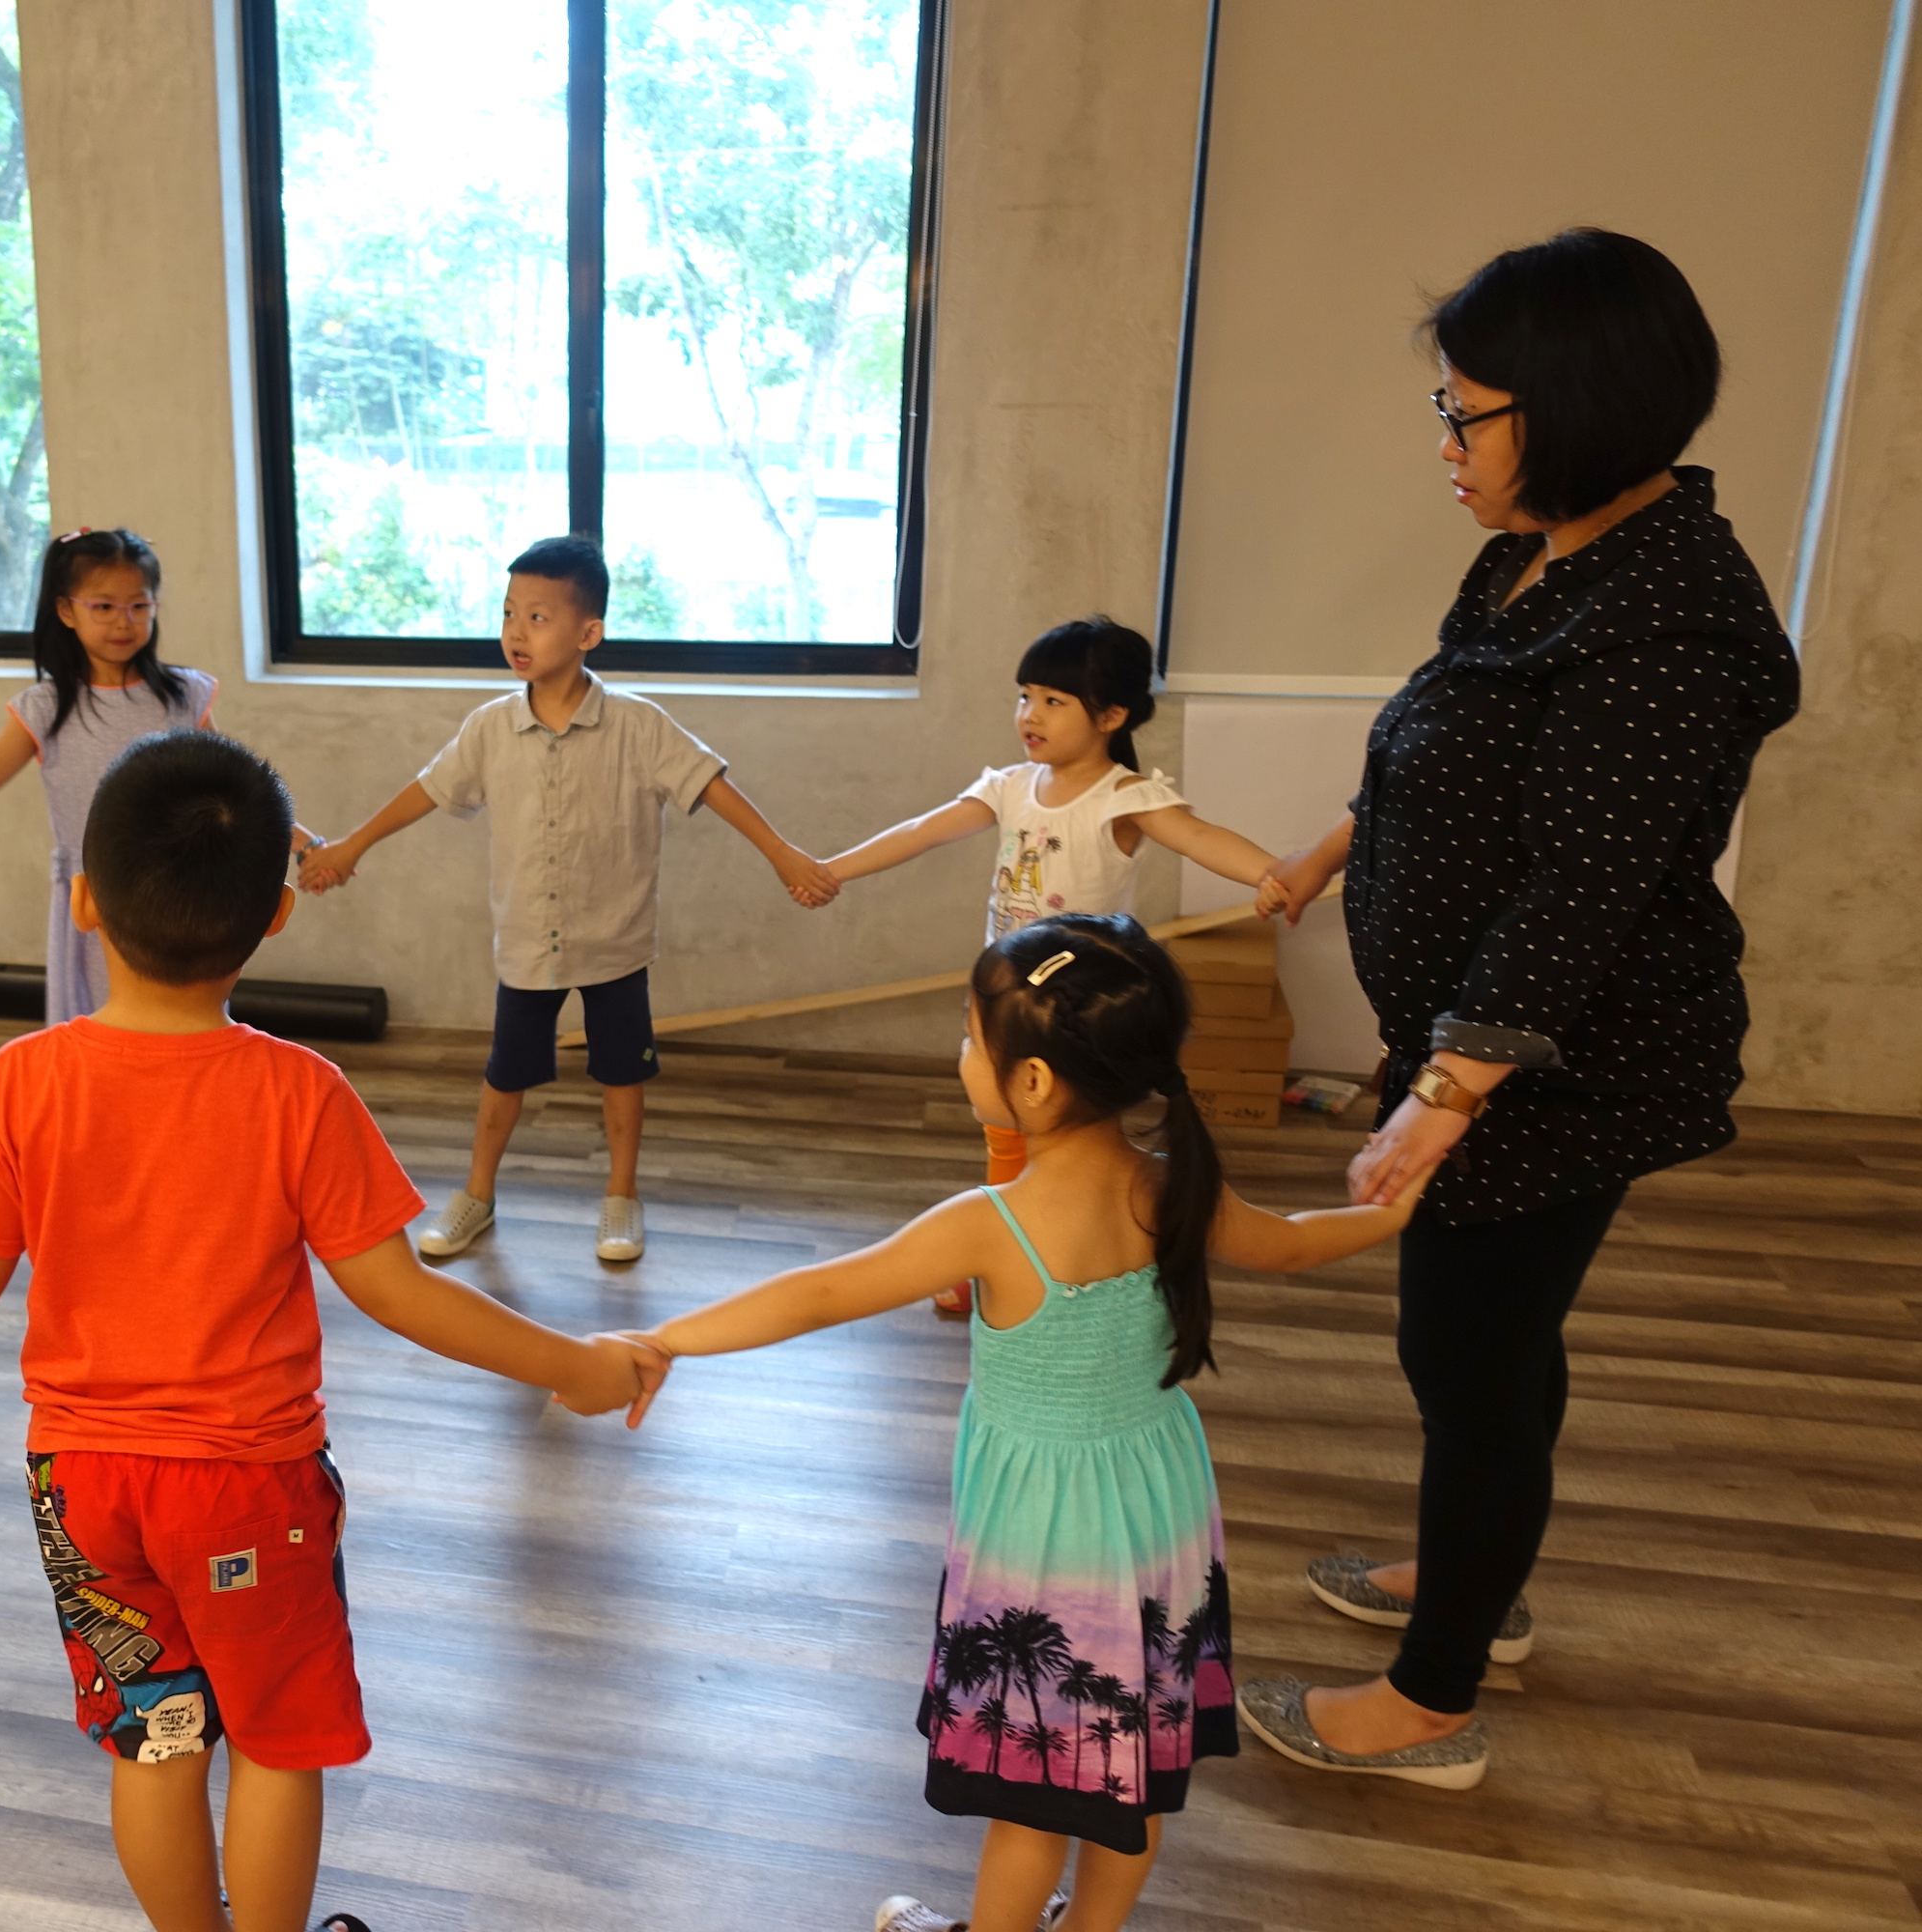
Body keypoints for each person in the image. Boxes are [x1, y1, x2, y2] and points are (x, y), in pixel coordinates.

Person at [0, 730, 664, 1932]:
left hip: (82, 1484)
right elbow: (399, 1291)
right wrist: (576, 1365)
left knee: (156, 1740)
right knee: (278, 1744)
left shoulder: (21, 1082)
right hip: (249, 1488)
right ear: (277, 915)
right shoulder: (300, 1091)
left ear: (86, 902)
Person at [1244, 230, 1799, 1784]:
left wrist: (1441, 1100)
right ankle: (1471, 1585)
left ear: (1575, 405)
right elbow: (1445, 744)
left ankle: (1431, 1702)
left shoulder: (1672, 616)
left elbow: (1581, 891)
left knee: (1469, 1359)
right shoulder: (1544, 552)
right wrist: (1331, 851)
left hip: (1562, 1069)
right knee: (1489, 1351)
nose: (1446, 442)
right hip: (1494, 1057)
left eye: (1466, 412)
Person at [623, 916, 1425, 1932]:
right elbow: (1296, 1242)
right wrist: (1394, 1208)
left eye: (971, 1036)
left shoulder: (989, 1223)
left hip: (1046, 1548)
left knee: (1030, 1799)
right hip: (1158, 1518)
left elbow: (821, 1293)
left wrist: (667, 1337)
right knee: (1129, 1776)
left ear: (1035, 1082)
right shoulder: (1173, 1184)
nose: (962, 1051)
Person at [294, 535, 834, 1264]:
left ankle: (622, 1198)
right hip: (526, 943)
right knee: (505, 1074)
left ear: (588, 633)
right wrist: (350, 847)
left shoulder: (639, 724)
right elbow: (427, 790)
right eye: (508, 612)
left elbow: (712, 786)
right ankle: (477, 1195)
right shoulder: (489, 727)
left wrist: (783, 855)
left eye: (538, 617)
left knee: (622, 1073)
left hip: (615, 942)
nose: (516, 631)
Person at [809, 617, 1282, 1316]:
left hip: (1077, 1018)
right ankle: (998, 1256)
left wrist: (1276, 874)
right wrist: (831, 870)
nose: (1029, 714)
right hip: (1008, 1000)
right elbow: (921, 831)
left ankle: (1076, 1256)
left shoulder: (1124, 798)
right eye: (1025, 696)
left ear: (1111, 715)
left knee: (1074, 1146)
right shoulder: (1009, 788)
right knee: (1006, 1137)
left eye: (1053, 701)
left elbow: (1199, 836)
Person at [0, 527, 273, 1025]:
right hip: (95, 900)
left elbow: (235, 787)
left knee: (185, 1021)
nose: (123, 622)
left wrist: (305, 844)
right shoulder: (44, 708)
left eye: (139, 606)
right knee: (102, 1021)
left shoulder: (184, 696)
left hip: (181, 891)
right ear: (66, 611)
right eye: (103, 607)